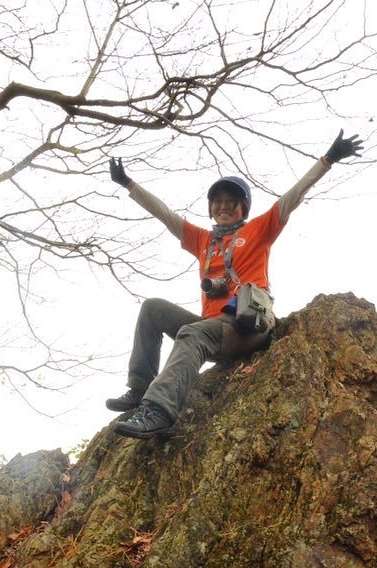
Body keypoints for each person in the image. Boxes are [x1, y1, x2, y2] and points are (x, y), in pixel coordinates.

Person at [107, 130, 363, 438]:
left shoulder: (258, 230)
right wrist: (128, 184)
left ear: (244, 207)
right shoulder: (203, 240)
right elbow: (166, 215)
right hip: (214, 331)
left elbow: (293, 196)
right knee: (152, 309)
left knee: (193, 331)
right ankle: (139, 387)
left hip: (247, 327)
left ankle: (159, 411)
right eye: (217, 202)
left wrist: (328, 159)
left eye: (232, 202)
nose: (223, 207)